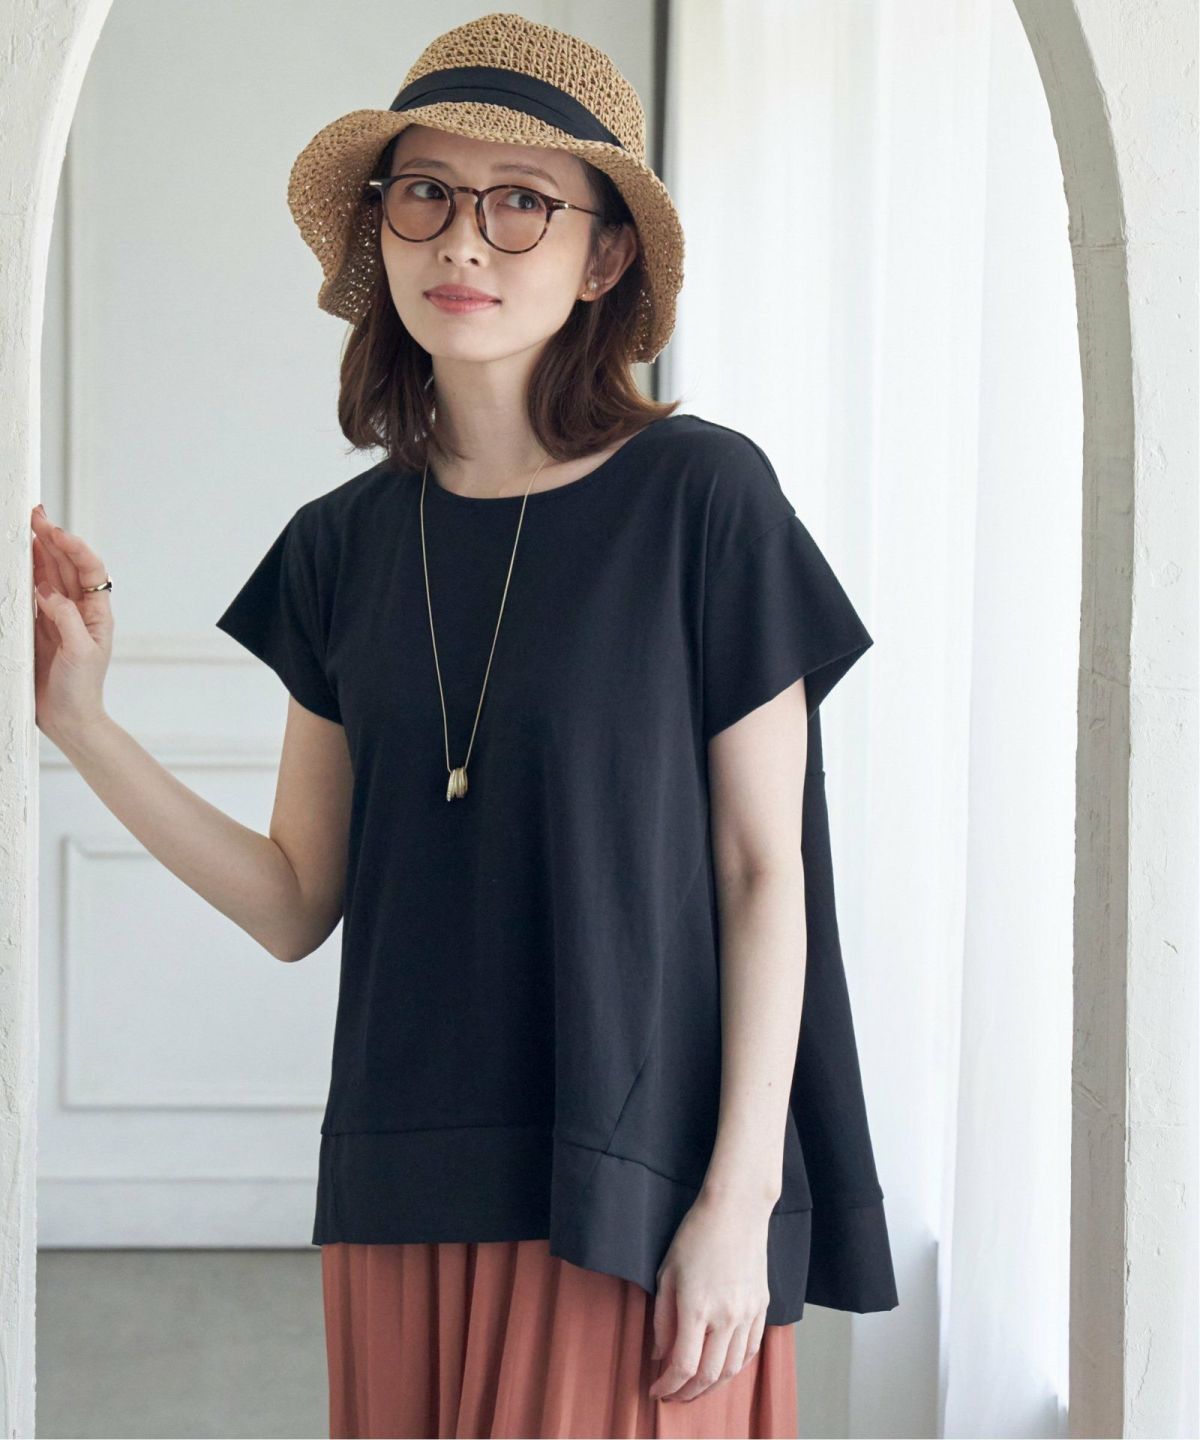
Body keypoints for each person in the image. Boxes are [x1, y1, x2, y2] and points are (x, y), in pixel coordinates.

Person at [30, 13, 897, 1438]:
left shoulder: (705, 501)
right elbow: (296, 900)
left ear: (603, 257)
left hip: (637, 1182)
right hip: (403, 1181)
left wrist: (739, 1200)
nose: (465, 242)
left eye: (522, 202)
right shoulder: (340, 547)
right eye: (426, 193)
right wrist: (82, 725)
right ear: (381, 228)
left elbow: (764, 873)